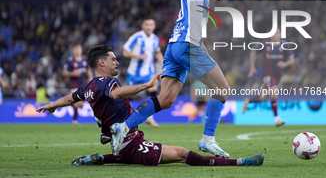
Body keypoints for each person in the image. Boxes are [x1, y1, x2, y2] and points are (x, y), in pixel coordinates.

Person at [36, 45, 264, 167]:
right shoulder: (108, 82)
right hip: (129, 143)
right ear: (101, 62)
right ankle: (239, 163)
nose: (117, 61)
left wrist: (53, 105)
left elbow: (70, 98)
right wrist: (145, 84)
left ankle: (102, 158)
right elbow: (115, 93)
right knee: (183, 155)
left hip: (128, 142)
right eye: (113, 58)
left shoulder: (89, 86)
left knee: (133, 153)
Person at [110, 0, 232, 158]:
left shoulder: (202, 3)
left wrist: (204, 52)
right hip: (185, 47)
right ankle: (208, 139)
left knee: (165, 100)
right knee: (222, 88)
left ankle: (123, 127)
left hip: (175, 48)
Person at [243, 28, 295, 126]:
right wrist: (252, 67)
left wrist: (284, 64)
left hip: (278, 75)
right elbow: (253, 52)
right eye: (273, 33)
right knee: (274, 92)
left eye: (277, 33)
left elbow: (292, 60)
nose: (275, 35)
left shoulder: (285, 45)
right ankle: (277, 119)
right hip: (267, 74)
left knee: (263, 98)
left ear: (280, 34)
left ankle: (248, 101)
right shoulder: (265, 44)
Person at [123, 18, 163, 127]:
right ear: (142, 26)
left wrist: (164, 64)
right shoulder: (136, 37)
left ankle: (149, 117)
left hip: (148, 72)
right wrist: (138, 56)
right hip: (134, 73)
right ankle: (125, 117)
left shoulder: (155, 39)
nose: (149, 27)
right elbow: (125, 52)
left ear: (154, 26)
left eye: (151, 24)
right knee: (131, 96)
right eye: (147, 24)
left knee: (153, 90)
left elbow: (157, 52)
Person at [62, 43, 93, 125]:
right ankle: (75, 121)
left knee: (81, 105)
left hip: (83, 85)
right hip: (73, 85)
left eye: (79, 49)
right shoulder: (70, 61)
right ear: (73, 50)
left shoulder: (84, 60)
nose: (77, 51)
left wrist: (90, 77)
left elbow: (88, 70)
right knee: (77, 103)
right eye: (76, 49)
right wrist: (73, 73)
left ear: (81, 50)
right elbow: (64, 72)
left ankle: (66, 103)